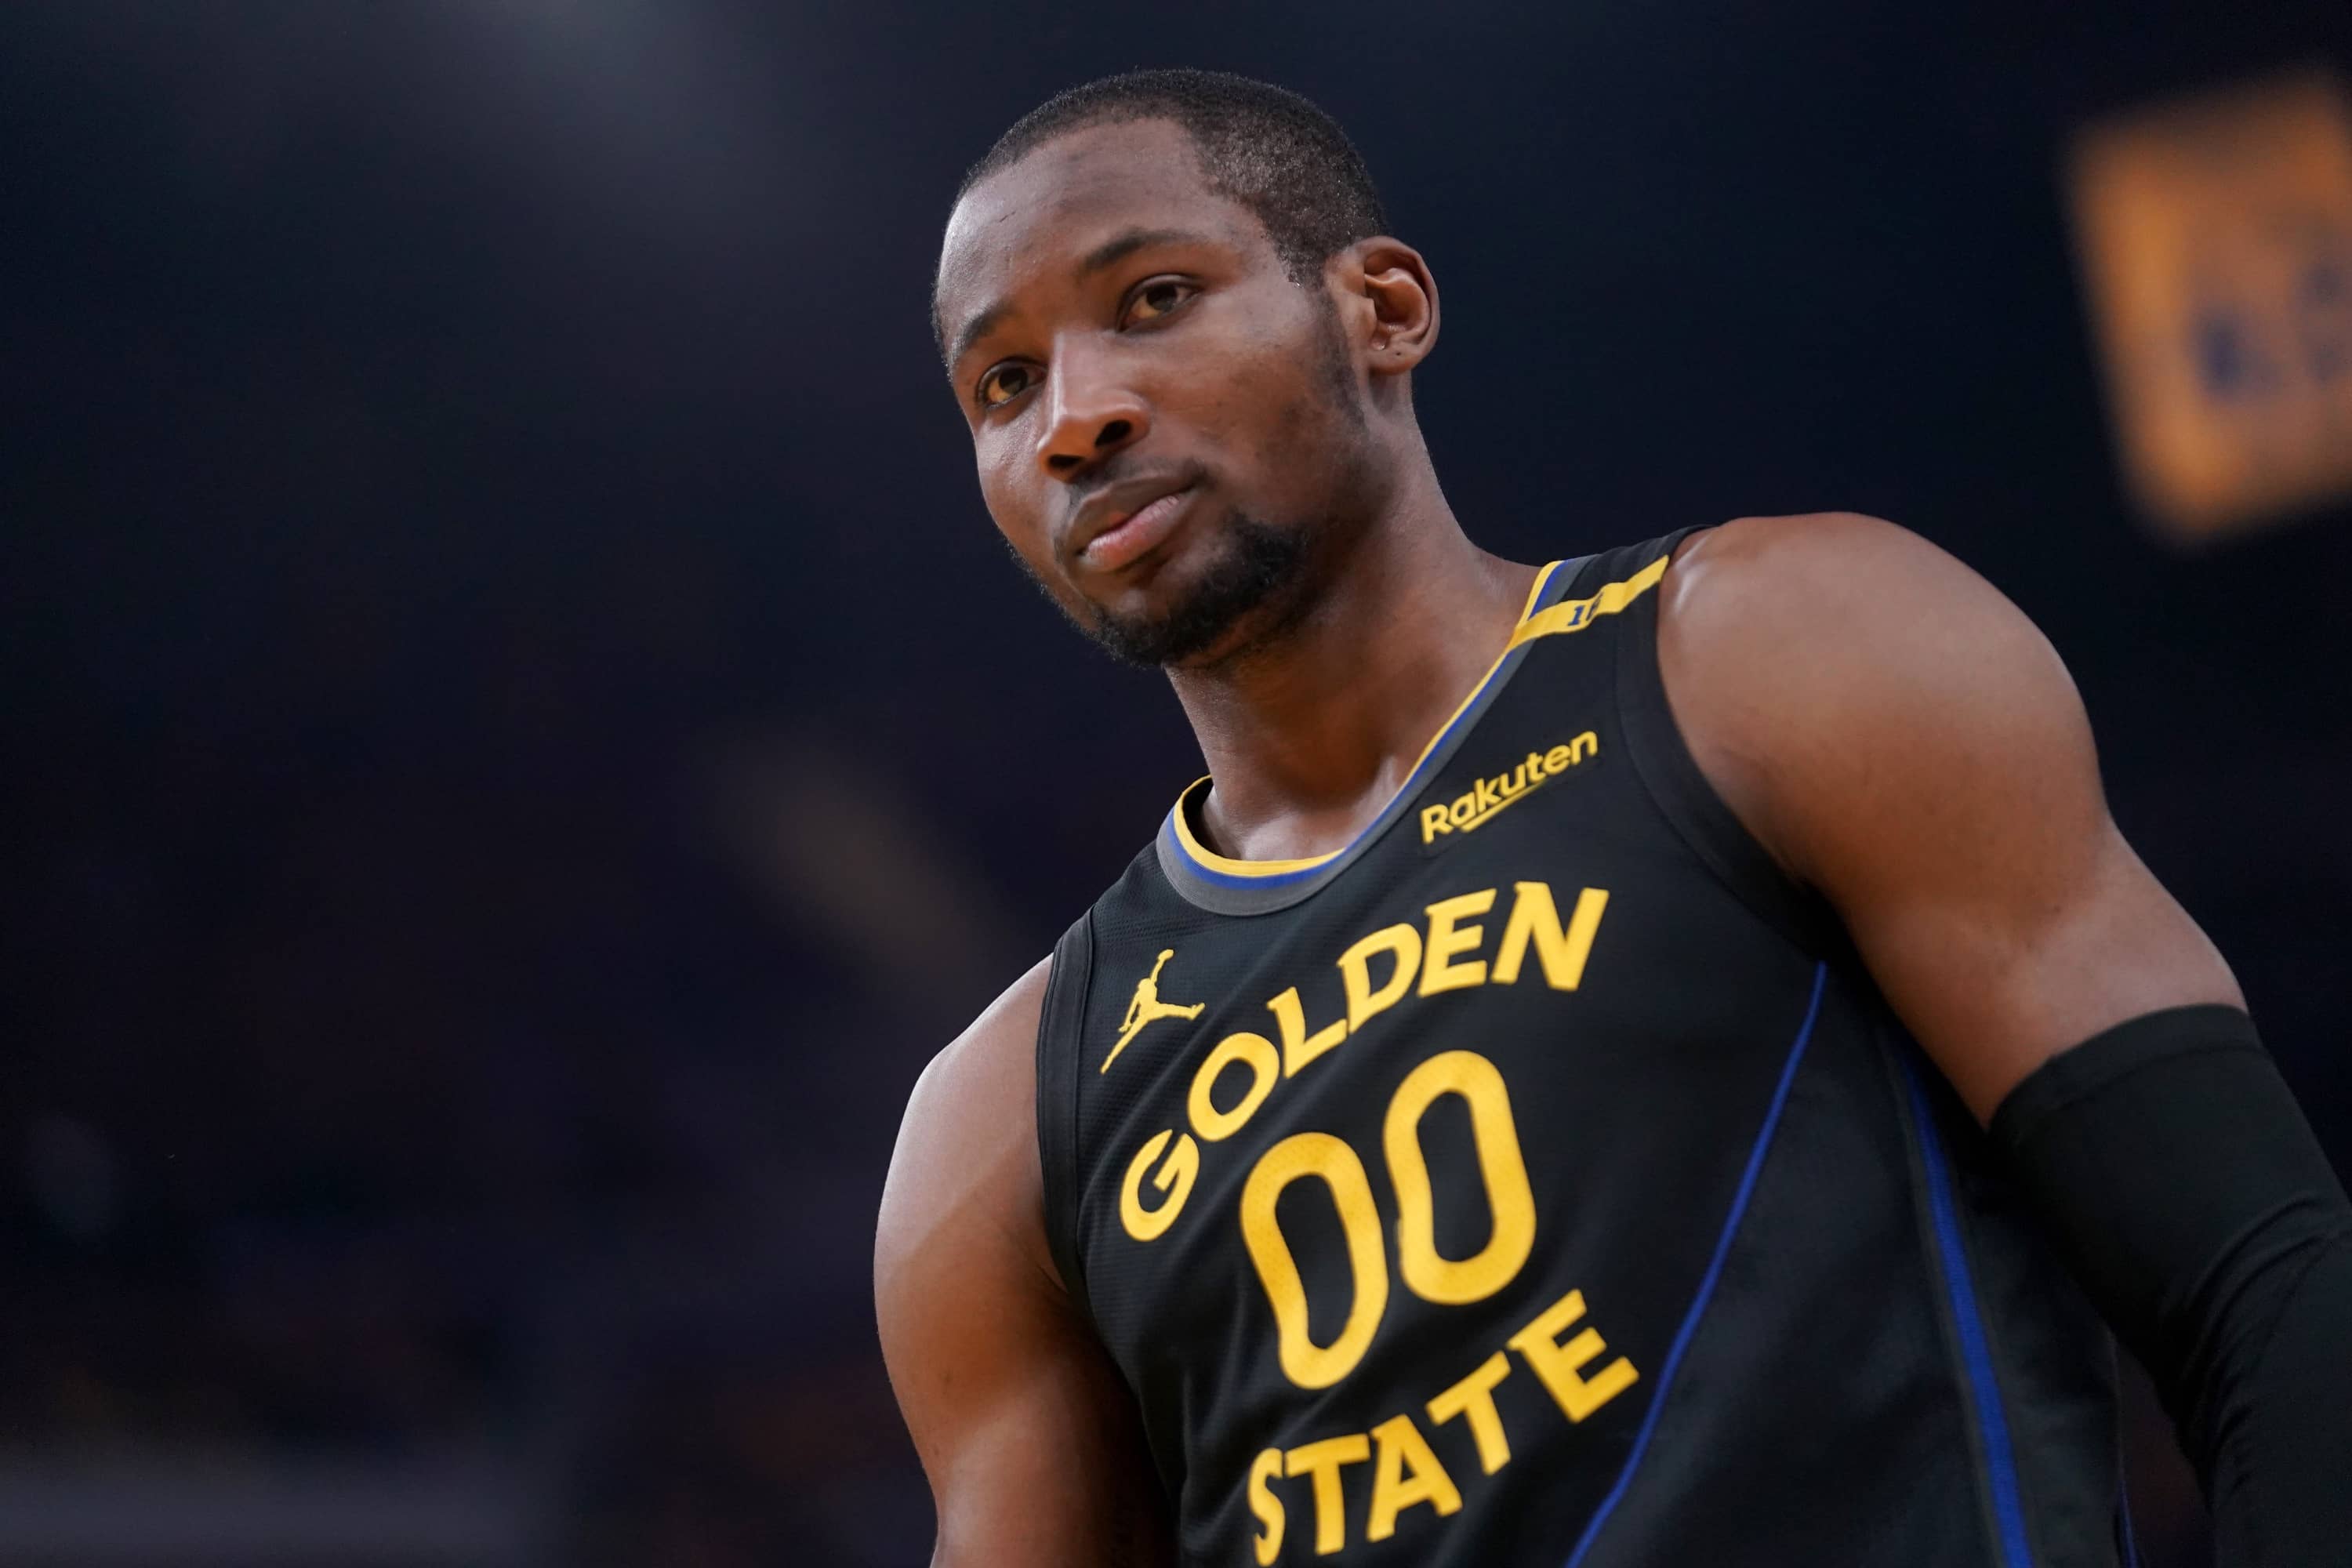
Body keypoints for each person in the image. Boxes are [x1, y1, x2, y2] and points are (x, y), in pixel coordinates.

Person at [876, 68, 2352, 1566]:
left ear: (1379, 309)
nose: (1074, 419)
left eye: (1153, 299)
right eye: (1002, 385)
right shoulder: (1000, 1124)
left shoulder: (1771, 652)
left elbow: (2267, 1287)